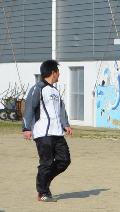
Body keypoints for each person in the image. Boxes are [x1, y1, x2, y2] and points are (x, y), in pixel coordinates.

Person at [22, 60, 72, 202]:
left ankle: (44, 182)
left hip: (57, 133)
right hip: (43, 133)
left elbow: (61, 109)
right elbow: (29, 108)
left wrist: (65, 124)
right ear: (52, 72)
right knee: (47, 163)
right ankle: (43, 193)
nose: (59, 74)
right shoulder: (38, 88)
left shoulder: (55, 91)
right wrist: (26, 128)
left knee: (64, 160)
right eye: (57, 71)